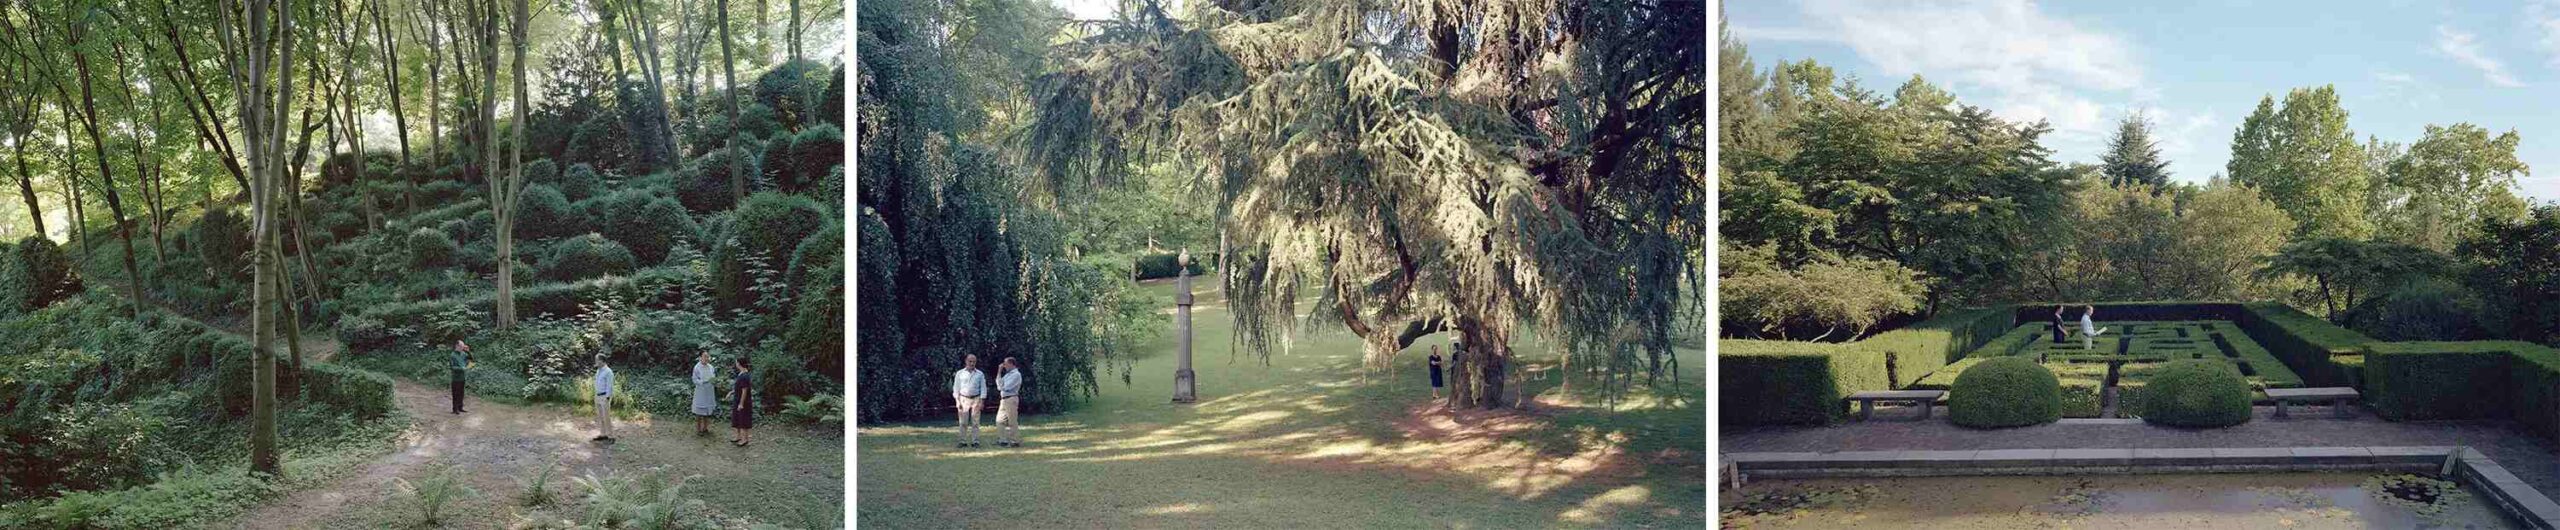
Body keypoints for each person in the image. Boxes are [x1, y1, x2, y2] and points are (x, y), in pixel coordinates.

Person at [952, 355, 987, 448]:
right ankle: (962, 441)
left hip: (976, 398)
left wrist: (982, 401)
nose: (972, 363)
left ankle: (975, 441)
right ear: (966, 361)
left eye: (974, 362)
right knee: (963, 422)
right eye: (970, 361)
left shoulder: (980, 374)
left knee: (975, 422)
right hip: (963, 398)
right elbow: (956, 388)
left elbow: (983, 388)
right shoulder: (960, 373)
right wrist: (957, 401)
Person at [995, 357, 1023, 448]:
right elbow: (999, 386)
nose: (1004, 366)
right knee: (999, 420)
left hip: (1011, 398)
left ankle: (1015, 441)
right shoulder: (1007, 375)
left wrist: (1001, 385)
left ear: (1012, 364)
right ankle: (1002, 440)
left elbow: (1006, 387)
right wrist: (999, 372)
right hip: (1003, 399)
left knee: (1012, 421)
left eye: (1006, 364)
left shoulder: (1016, 374)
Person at [691, 351, 720, 436]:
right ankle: (698, 429)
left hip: (709, 391)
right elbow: (694, 379)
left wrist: (714, 381)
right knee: (699, 412)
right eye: (705, 356)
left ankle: (705, 428)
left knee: (707, 411)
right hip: (700, 391)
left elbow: (713, 376)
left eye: (708, 357)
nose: (707, 358)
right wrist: (702, 381)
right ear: (700, 357)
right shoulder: (697, 367)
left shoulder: (711, 367)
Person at [731, 357, 756, 447]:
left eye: (736, 362)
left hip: (743, 401)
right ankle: (738, 436)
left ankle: (744, 439)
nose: (736, 364)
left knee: (743, 419)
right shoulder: (741, 373)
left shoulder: (745, 375)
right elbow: (738, 387)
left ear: (739, 363)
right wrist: (731, 392)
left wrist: (741, 403)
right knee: (737, 418)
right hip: (737, 398)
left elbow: (745, 390)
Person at [592, 354, 616, 443]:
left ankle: (611, 436)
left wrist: (607, 398)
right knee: (600, 416)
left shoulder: (608, 371)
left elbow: (610, 386)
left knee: (606, 417)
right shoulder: (598, 371)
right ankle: (603, 434)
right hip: (597, 396)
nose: (595, 362)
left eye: (596, 360)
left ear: (601, 361)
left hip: (604, 396)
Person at [449, 341, 473, 414]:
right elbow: (452, 367)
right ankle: (455, 409)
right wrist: (461, 368)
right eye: (461, 346)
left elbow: (471, 359)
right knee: (455, 394)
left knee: (461, 393)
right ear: (457, 346)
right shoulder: (452, 355)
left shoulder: (463, 354)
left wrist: (468, 351)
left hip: (463, 377)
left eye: (463, 346)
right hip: (456, 378)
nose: (463, 348)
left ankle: (460, 407)